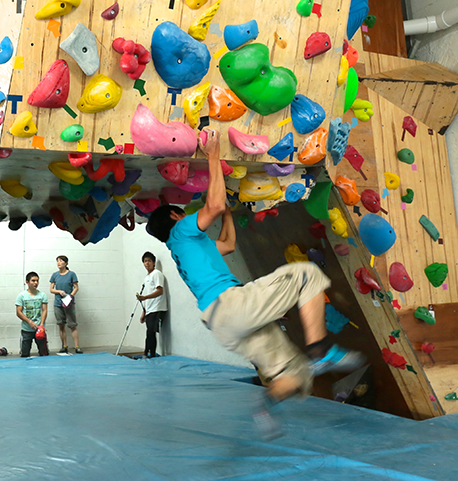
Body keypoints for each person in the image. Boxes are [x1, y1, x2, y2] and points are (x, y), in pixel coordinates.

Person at [145, 128, 365, 408]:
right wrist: (213, 155)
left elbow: (228, 244)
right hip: (232, 305)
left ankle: (264, 409)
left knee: (293, 372)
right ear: (176, 215)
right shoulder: (182, 230)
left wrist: (227, 211)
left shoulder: (183, 250)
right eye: (183, 213)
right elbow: (212, 205)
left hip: (221, 324)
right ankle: (319, 350)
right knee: (306, 275)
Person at [136, 252, 167, 358]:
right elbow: (147, 295)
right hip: (149, 309)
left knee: (151, 332)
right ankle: (148, 353)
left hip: (157, 308)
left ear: (154, 262)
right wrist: (144, 312)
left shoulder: (157, 274)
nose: (147, 263)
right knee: (149, 332)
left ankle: (149, 353)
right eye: (145, 261)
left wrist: (145, 297)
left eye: (149, 261)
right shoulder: (147, 277)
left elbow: (160, 291)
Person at [49, 255, 82, 354]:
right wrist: (59, 291)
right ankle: (64, 346)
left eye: (61, 261)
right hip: (58, 303)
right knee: (61, 325)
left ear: (66, 263)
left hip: (68, 303)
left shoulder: (71, 274)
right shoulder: (55, 275)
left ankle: (77, 346)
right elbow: (51, 289)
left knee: (72, 325)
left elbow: (76, 287)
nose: (59, 263)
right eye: (57, 261)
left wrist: (70, 296)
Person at [16, 272, 49, 357]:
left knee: (44, 353)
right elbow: (18, 312)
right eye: (33, 281)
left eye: (37, 281)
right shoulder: (21, 296)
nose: (36, 283)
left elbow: (44, 310)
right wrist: (29, 322)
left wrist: (41, 325)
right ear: (27, 282)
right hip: (27, 329)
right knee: (25, 354)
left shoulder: (42, 295)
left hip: (39, 329)